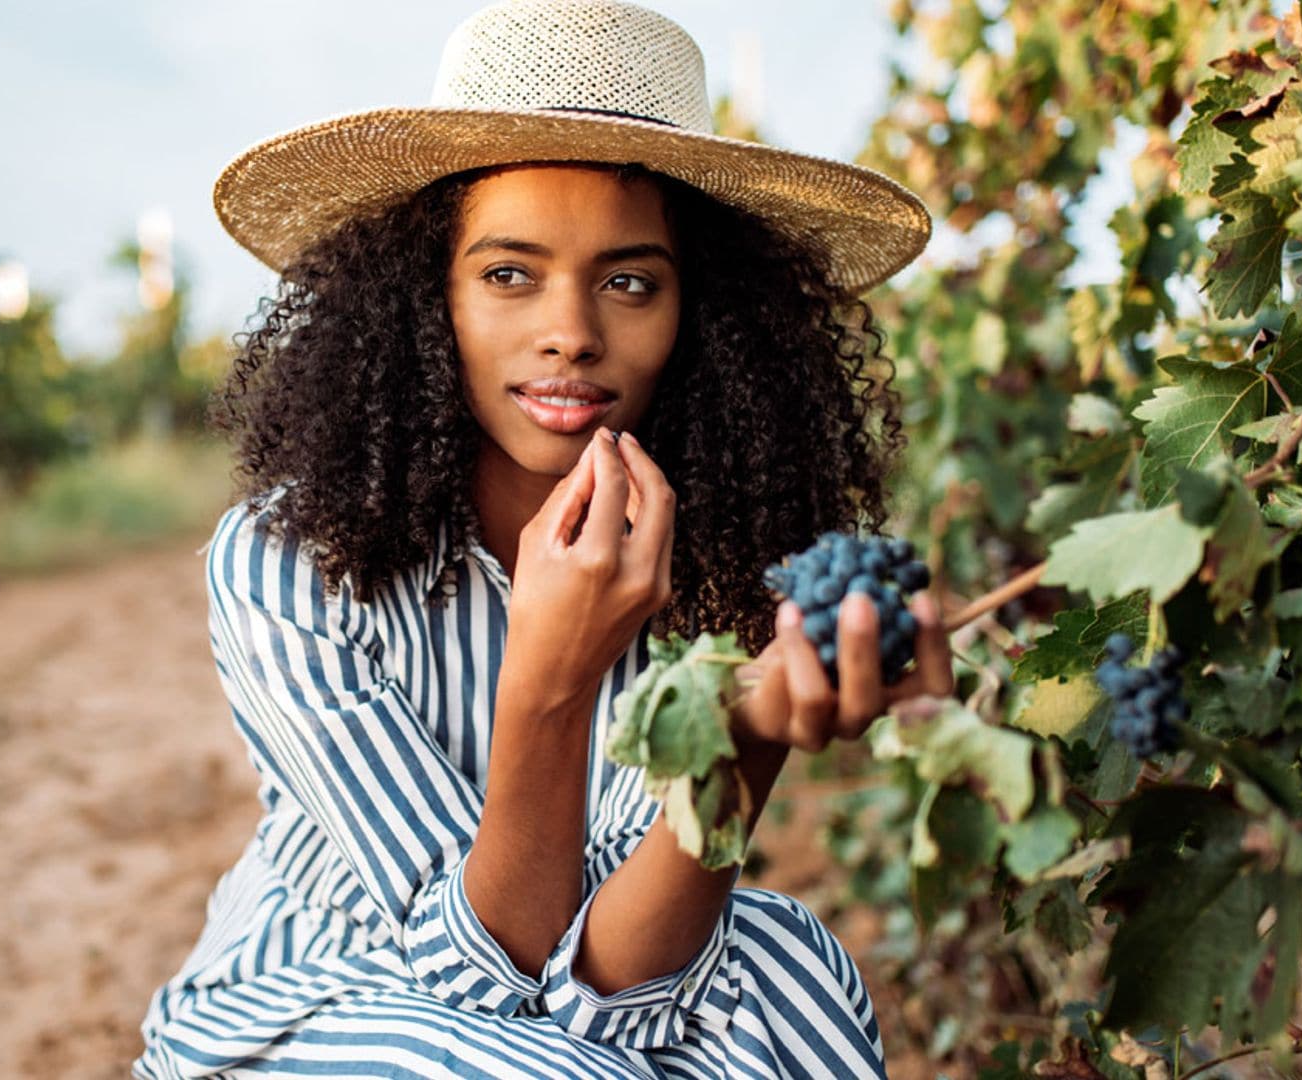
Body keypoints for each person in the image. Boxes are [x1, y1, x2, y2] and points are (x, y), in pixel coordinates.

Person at [134, 2, 948, 1076]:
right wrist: (550, 681)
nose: (571, 330)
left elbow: (615, 990)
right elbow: (488, 971)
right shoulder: (288, 565)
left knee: (800, 986)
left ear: (700, 315)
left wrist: (745, 742)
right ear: (428, 301)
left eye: (629, 282)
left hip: (596, 1000)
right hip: (321, 997)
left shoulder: (724, 567)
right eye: (509, 274)